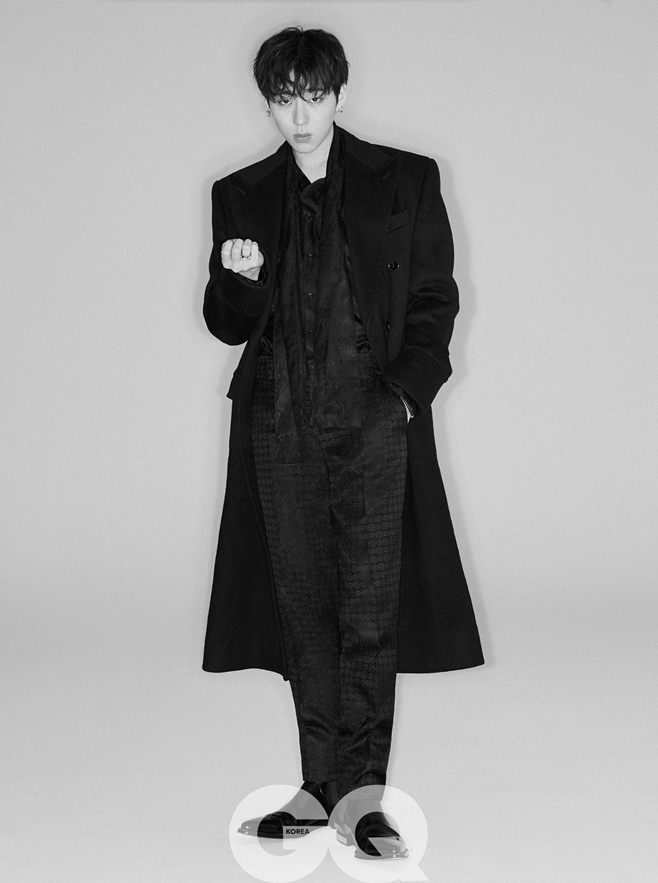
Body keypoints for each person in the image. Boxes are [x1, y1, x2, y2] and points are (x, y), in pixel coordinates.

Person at [201, 26, 484, 861]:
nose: (300, 116)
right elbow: (227, 323)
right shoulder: (241, 193)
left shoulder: (405, 178)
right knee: (303, 611)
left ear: (339, 95)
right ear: (267, 104)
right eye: (284, 99)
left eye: (313, 97)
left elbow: (435, 298)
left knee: (367, 612)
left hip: (371, 421)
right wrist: (236, 277)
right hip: (278, 423)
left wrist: (401, 397)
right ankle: (317, 785)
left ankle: (362, 796)